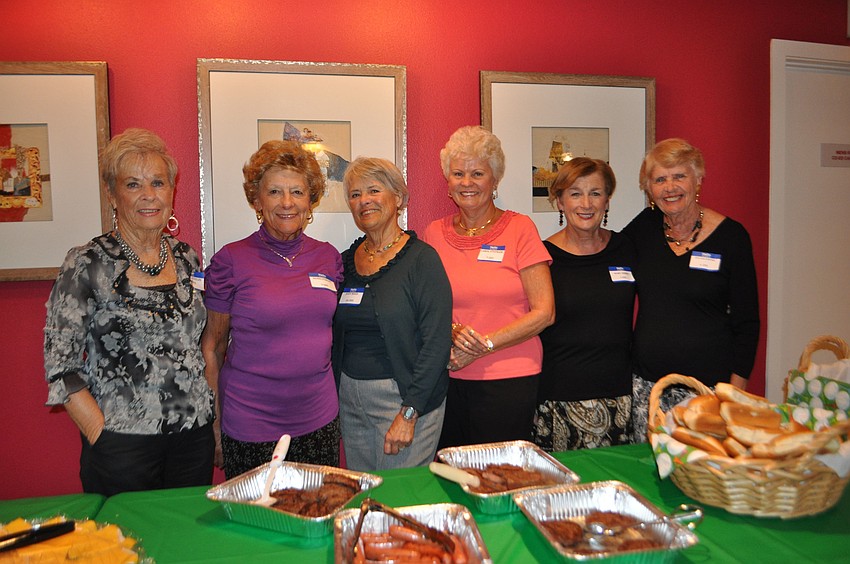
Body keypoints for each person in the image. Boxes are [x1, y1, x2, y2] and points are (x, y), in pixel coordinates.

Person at [43, 128, 214, 495]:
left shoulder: (187, 258)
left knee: (183, 546)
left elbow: (199, 344)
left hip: (192, 440)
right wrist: (98, 434)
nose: (149, 195)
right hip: (121, 444)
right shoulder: (86, 262)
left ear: (172, 191)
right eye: (133, 184)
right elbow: (61, 365)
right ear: (112, 194)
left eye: (158, 182)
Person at [202, 140, 343, 478]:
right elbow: (213, 347)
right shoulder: (230, 261)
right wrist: (216, 423)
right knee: (254, 526)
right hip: (251, 423)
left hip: (319, 419)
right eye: (275, 192)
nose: (287, 203)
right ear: (257, 200)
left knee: (317, 517)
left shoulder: (329, 257)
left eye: (297, 191)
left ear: (311, 200)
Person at [422, 125, 555, 448]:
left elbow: (544, 312)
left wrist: (484, 345)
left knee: (499, 478)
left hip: (509, 379)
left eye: (477, 173)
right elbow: (427, 308)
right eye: (458, 174)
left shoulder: (520, 228)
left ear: (495, 181)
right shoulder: (434, 234)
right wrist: (453, 330)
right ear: (448, 182)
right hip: (449, 378)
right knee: (453, 473)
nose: (467, 182)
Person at [623, 138, 760, 441]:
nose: (669, 187)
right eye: (660, 179)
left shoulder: (732, 237)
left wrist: (733, 395)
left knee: (700, 480)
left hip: (708, 391)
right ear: (649, 188)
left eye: (679, 176)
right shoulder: (643, 229)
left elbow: (747, 322)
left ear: (698, 179)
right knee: (648, 477)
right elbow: (603, 256)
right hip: (648, 388)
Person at [332, 157, 452, 471]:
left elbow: (437, 343)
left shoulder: (422, 260)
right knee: (366, 496)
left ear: (397, 198)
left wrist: (409, 412)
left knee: (400, 500)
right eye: (355, 194)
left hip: (403, 400)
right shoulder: (345, 261)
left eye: (374, 190)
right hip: (351, 399)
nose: (364, 201)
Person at [531, 158, 637, 452]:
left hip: (620, 398)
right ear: (559, 201)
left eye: (596, 192)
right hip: (558, 400)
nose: (586, 203)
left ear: (607, 200)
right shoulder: (542, 257)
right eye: (575, 193)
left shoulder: (627, 248)